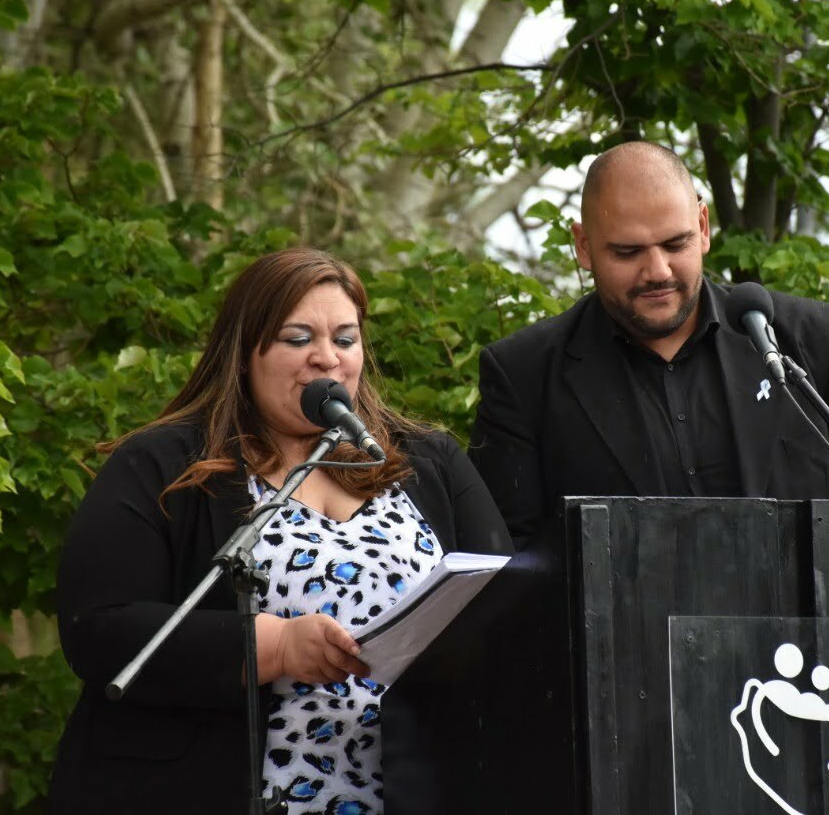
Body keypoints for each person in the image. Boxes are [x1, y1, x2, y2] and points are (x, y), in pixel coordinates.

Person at [50, 248, 512, 814]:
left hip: (419, 787)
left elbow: (511, 605)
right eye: (298, 339)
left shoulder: (428, 460)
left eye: (345, 339)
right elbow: (99, 630)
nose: (327, 358)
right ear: (245, 353)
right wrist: (274, 647)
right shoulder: (164, 464)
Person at [469, 141, 829, 549]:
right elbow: (504, 565)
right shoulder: (523, 375)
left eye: (676, 244)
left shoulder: (813, 338)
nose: (658, 271)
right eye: (628, 252)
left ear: (704, 227)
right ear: (584, 246)